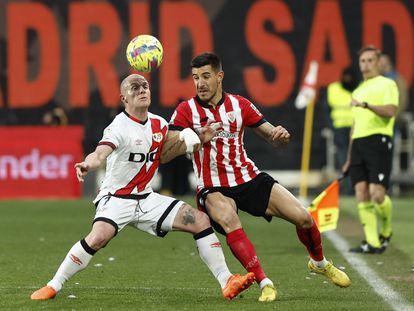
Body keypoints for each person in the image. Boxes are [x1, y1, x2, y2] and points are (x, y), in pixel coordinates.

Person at [30, 74, 255, 301]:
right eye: (134, 88)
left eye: (145, 86)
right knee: (99, 237)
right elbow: (100, 153)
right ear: (123, 98)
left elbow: (167, 154)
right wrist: (88, 163)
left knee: (200, 221)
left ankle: (227, 280)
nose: (141, 90)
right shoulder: (118, 126)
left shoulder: (159, 124)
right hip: (117, 198)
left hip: (146, 199)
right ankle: (53, 285)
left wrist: (198, 136)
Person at [164, 52, 351, 302]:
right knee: (229, 219)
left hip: (248, 178)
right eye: (196, 77)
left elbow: (271, 135)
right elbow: (164, 153)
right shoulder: (186, 110)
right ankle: (265, 282)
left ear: (220, 77)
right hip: (212, 187)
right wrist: (195, 137)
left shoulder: (239, 104)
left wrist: (279, 136)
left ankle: (319, 263)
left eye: (206, 76)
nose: (200, 83)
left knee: (304, 218)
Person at [342, 46, 399, 254]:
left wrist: (366, 105)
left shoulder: (387, 84)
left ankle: (386, 229)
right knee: (361, 192)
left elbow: (391, 111)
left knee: (377, 194)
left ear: (378, 62)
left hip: (379, 141)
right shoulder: (357, 90)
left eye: (369, 60)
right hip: (358, 144)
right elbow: (354, 125)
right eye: (362, 61)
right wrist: (349, 157)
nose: (365, 64)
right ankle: (372, 242)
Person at [325, 67, 359, 194]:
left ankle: (356, 186)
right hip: (339, 129)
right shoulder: (333, 88)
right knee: (342, 159)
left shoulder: (361, 88)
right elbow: (326, 110)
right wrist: (331, 126)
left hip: (357, 128)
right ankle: (347, 187)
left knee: (356, 158)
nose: (347, 79)